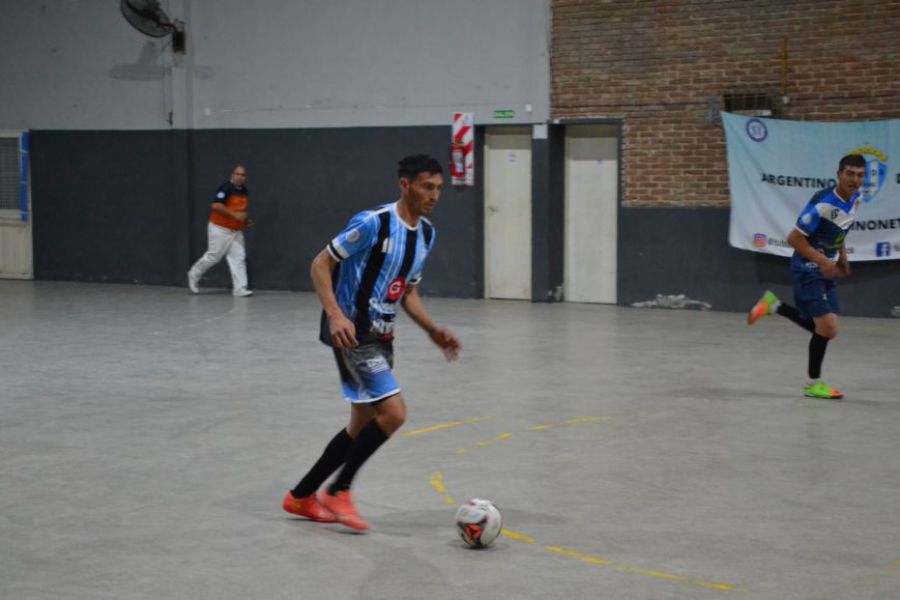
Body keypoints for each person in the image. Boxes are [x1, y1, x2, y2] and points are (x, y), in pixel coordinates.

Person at [282, 154, 462, 531]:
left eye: (439, 188)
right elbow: (320, 264)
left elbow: (406, 292)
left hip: (382, 335)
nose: (434, 195)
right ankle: (339, 490)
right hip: (351, 333)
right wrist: (334, 314)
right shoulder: (373, 223)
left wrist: (432, 330)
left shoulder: (426, 234)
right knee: (394, 413)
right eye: (427, 187)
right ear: (405, 185)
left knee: (361, 424)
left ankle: (300, 496)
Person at [747, 153, 867, 399]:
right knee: (827, 326)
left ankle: (775, 306)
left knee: (829, 329)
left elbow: (842, 230)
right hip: (807, 268)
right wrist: (822, 260)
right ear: (839, 175)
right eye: (850, 174)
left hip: (827, 267)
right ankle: (813, 384)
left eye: (860, 175)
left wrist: (843, 256)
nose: (855, 180)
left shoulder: (856, 198)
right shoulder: (823, 203)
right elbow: (794, 238)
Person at [187, 165, 254, 297]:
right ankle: (193, 274)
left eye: (243, 175)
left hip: (235, 230)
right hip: (219, 228)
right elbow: (216, 205)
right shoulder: (225, 188)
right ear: (232, 175)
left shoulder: (244, 191)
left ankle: (240, 289)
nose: (240, 177)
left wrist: (245, 220)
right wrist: (235, 215)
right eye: (237, 174)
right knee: (213, 257)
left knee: (238, 257)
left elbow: (240, 211)